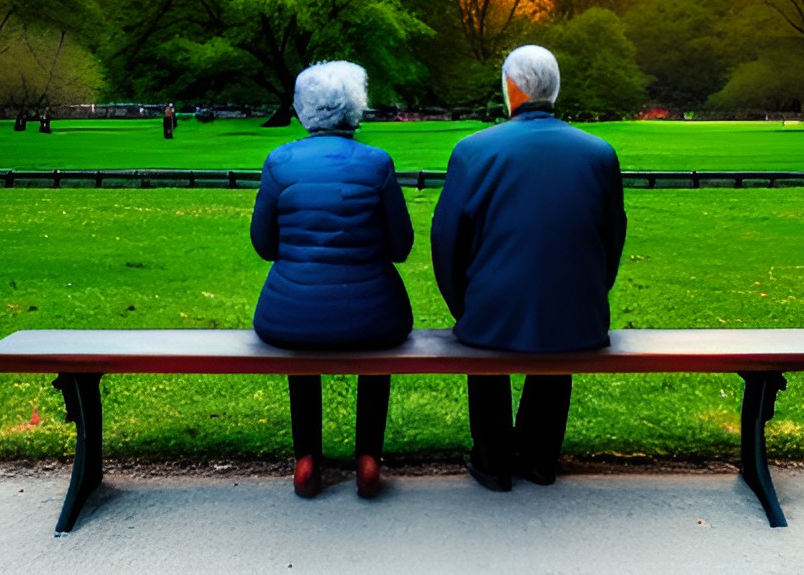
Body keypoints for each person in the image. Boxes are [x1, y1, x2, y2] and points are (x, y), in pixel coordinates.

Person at [430, 45, 626, 492]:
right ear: (554, 89)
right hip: (578, 314)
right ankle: (540, 457)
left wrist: (463, 303)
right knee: (559, 318)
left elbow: (446, 240)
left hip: (491, 310)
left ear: (511, 88)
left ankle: (492, 458)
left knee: (485, 331)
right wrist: (591, 291)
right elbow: (612, 236)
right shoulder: (599, 153)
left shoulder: (473, 151)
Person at [250, 61, 414, 500]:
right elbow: (401, 247)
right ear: (355, 107)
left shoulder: (280, 161)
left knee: (305, 335)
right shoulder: (378, 163)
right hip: (374, 313)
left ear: (303, 110)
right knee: (373, 347)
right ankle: (368, 458)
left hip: (289, 312)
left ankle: (306, 459)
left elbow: (264, 244)